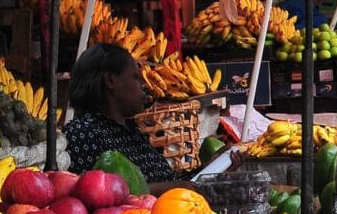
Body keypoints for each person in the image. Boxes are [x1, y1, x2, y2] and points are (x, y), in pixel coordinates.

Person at [65, 44, 238, 195]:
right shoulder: (82, 132)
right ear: (111, 80)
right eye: (136, 78)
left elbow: (170, 180)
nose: (144, 86)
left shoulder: (131, 130)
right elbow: (97, 194)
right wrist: (172, 188)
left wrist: (213, 168)